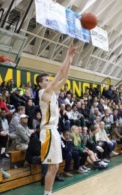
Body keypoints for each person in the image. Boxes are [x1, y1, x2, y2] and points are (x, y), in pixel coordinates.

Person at [36, 44, 77, 195]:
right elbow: (60, 72)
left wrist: (70, 60)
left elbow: (64, 77)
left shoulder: (53, 93)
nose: (49, 81)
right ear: (40, 83)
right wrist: (67, 55)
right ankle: (47, 193)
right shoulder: (43, 93)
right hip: (47, 132)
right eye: (46, 80)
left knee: (54, 167)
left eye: (49, 79)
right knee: (51, 167)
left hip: (54, 131)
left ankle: (49, 192)